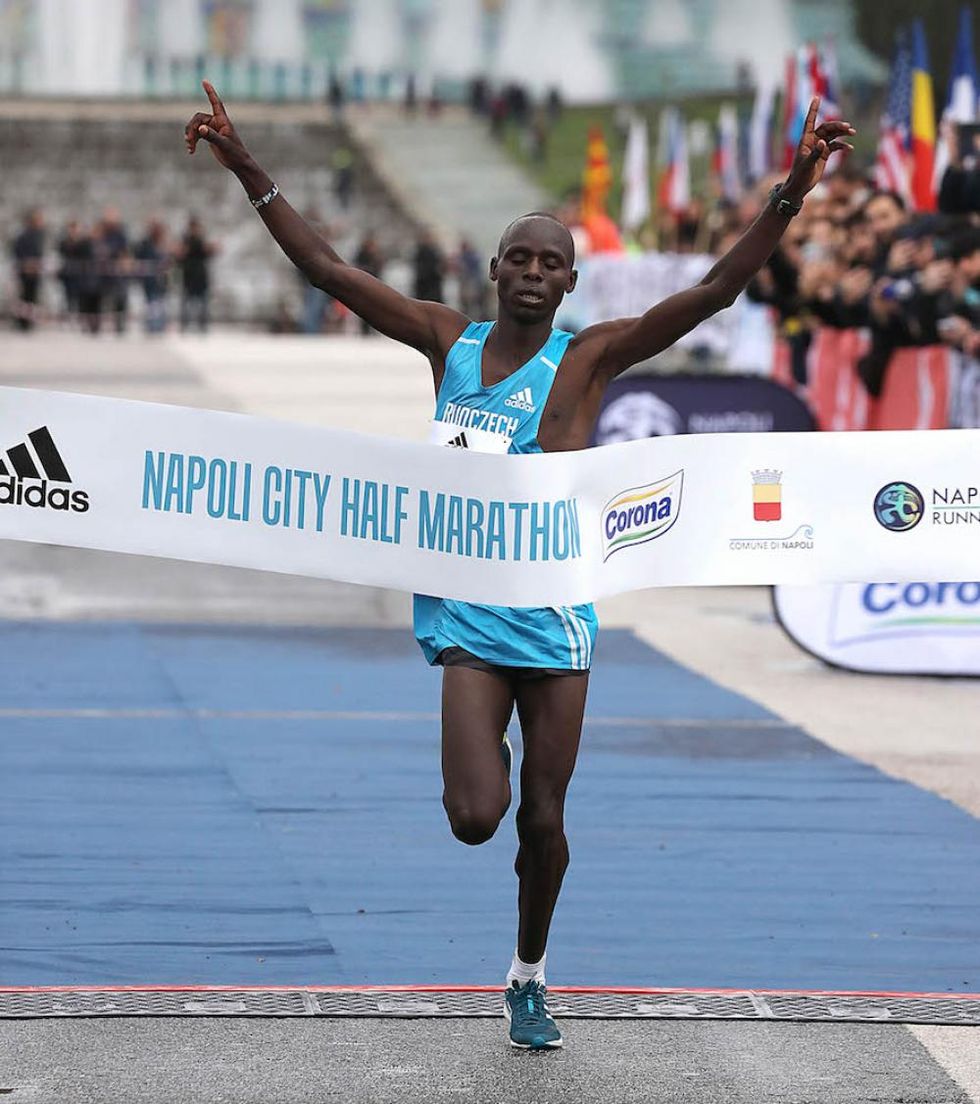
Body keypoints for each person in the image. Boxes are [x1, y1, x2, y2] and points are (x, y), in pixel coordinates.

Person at [185, 81, 853, 1051]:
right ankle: (483, 743)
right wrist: (248, 166)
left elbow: (711, 292)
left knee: (541, 818)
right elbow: (328, 271)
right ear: (493, 269)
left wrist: (792, 186)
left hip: (553, 624)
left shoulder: (587, 362)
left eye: (552, 263)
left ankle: (527, 976)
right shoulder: (442, 340)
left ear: (569, 283)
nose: (534, 274)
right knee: (473, 816)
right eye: (520, 259)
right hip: (468, 617)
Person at [176, 215, 216, 333]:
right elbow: (179, 257)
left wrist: (211, 249)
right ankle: (185, 326)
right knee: (187, 304)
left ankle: (203, 327)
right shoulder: (185, 240)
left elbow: (208, 254)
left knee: (203, 304)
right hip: (188, 276)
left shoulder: (202, 240)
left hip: (201, 276)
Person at [10, 209, 45, 331]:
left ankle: (29, 322)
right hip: (24, 273)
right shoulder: (23, 236)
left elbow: (39, 254)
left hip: (35, 273)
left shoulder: (39, 235)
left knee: (32, 299)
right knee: (23, 298)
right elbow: (18, 252)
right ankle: (22, 323)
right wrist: (26, 264)